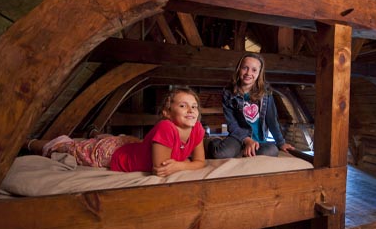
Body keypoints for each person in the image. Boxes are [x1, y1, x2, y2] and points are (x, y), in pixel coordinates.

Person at [26, 87, 206, 177]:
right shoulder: (166, 127)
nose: (191, 110)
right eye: (183, 106)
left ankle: (95, 133)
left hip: (132, 144)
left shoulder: (196, 128)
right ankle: (30, 142)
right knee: (69, 147)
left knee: (121, 140)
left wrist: (182, 165)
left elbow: (200, 162)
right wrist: (185, 163)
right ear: (167, 112)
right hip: (113, 154)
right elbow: (160, 169)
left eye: (194, 106)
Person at [207, 53, 294, 159]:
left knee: (272, 150)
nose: (248, 73)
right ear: (239, 69)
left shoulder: (266, 93)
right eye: (245, 68)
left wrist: (281, 142)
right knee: (220, 154)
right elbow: (232, 123)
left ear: (259, 74)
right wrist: (247, 140)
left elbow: (272, 120)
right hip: (238, 137)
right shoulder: (228, 93)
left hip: (258, 140)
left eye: (254, 70)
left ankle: (243, 152)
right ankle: (214, 141)